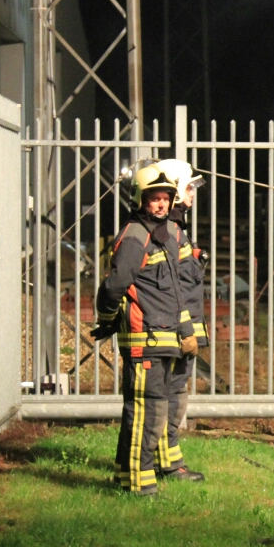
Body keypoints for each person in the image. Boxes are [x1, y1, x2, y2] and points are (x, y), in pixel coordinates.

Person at [92, 162, 198, 496]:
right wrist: (108, 318)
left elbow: (175, 292)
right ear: (140, 199)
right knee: (146, 412)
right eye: (155, 198)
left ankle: (128, 477)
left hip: (161, 338)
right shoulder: (136, 236)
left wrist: (186, 331)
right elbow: (114, 286)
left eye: (166, 198)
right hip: (145, 340)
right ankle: (138, 484)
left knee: (152, 410)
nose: (162, 204)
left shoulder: (160, 234)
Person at [156, 158, 207, 482]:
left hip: (180, 329)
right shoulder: (170, 232)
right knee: (171, 395)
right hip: (176, 332)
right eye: (188, 187)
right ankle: (168, 464)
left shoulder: (175, 230)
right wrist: (185, 330)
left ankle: (168, 461)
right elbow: (173, 289)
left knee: (174, 393)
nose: (192, 193)